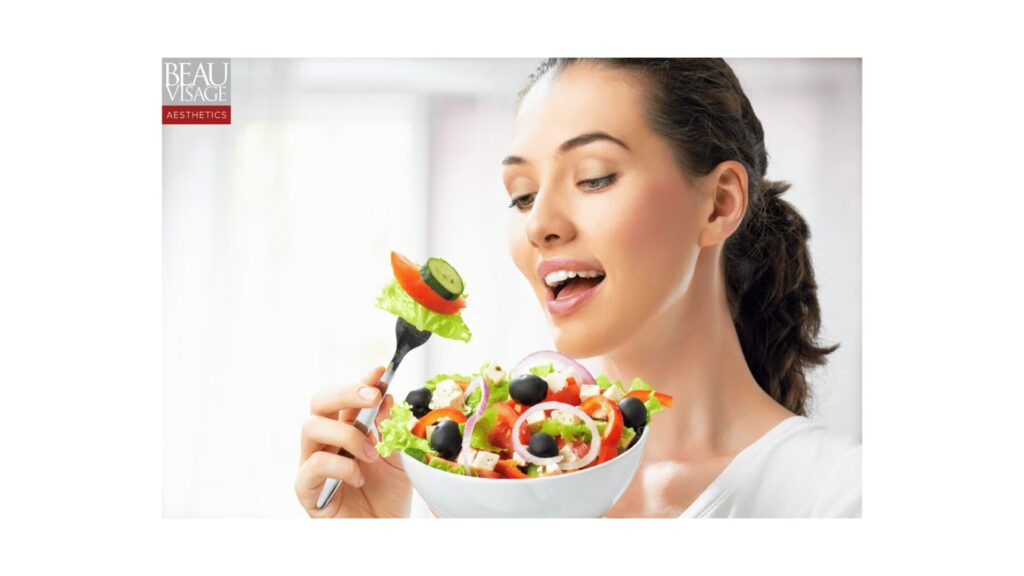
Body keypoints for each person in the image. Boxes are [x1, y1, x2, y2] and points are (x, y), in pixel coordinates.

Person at [294, 58, 861, 518]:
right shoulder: (476, 484)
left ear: (719, 204)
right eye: (521, 195)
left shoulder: (840, 501)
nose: (539, 223)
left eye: (594, 177)